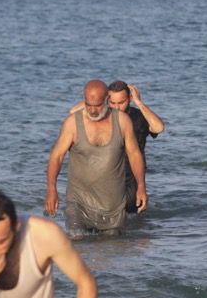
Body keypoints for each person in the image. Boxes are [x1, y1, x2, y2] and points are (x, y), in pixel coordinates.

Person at [47, 79, 148, 234]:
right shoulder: (72, 124)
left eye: (98, 105)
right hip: (78, 203)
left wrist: (141, 187)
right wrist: (51, 189)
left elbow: (134, 154)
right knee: (77, 241)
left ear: (107, 100)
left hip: (113, 207)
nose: (93, 110)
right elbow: (57, 156)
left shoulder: (122, 122)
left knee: (113, 246)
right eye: (89, 105)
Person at [69, 81, 165, 215]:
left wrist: (139, 102)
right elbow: (72, 112)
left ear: (129, 99)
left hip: (131, 177)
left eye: (121, 102)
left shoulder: (139, 116)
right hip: (106, 175)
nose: (117, 107)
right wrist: (100, 96)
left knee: (131, 215)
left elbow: (158, 127)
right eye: (113, 103)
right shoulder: (103, 115)